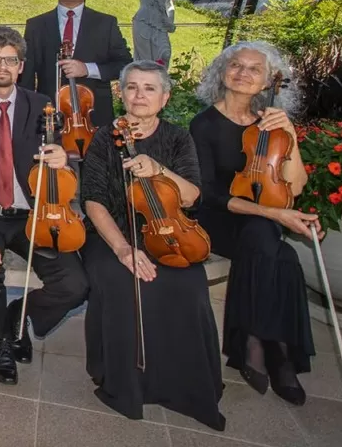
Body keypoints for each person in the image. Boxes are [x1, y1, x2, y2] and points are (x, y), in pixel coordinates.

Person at [80, 61, 225, 431]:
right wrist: (123, 249)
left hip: (165, 231)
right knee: (122, 280)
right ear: (120, 94)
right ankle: (126, 384)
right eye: (132, 87)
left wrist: (160, 169)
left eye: (149, 88)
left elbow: (191, 197)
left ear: (165, 97)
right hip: (111, 235)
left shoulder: (177, 138)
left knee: (187, 284)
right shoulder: (102, 137)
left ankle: (187, 387)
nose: (139, 95)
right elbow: (93, 201)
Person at [0, 26, 88, 386]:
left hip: (35, 213)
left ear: (21, 66)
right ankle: (1, 342)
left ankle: (18, 315)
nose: (2, 66)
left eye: (10, 59)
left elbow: (62, 164)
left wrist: (62, 161)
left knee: (74, 283)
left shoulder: (43, 106)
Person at [191, 42, 316, 406]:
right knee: (272, 244)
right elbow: (207, 193)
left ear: (266, 83)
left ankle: (258, 345)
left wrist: (290, 135)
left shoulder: (271, 124)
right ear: (223, 72)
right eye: (236, 66)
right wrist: (275, 215)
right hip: (220, 217)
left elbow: (296, 186)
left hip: (261, 219)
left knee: (281, 255)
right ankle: (277, 354)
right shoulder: (204, 124)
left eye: (254, 69)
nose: (243, 73)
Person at [21, 0, 132, 134]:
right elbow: (26, 75)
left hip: (95, 117)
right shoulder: (36, 25)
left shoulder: (106, 23)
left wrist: (87, 69)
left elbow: (125, 65)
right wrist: (27, 114)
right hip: (50, 115)